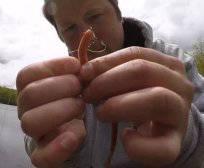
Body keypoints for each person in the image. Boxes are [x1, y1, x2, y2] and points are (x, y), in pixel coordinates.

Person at [16, 0, 204, 167]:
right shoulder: (61, 84)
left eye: (95, 16)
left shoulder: (174, 61)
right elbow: (34, 143)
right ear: (61, 37)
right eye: (70, 28)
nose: (85, 35)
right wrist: (47, 141)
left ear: (119, 15)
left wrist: (188, 136)